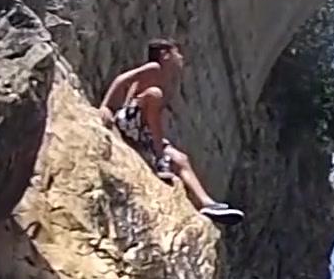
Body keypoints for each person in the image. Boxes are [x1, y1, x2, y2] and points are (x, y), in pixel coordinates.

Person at [99, 39, 246, 224]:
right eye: (177, 53)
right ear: (165, 55)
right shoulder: (154, 68)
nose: (181, 57)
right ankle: (160, 159)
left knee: (181, 159)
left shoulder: (166, 80)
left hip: (141, 130)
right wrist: (106, 107)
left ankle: (207, 204)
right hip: (129, 120)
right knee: (154, 94)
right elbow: (123, 79)